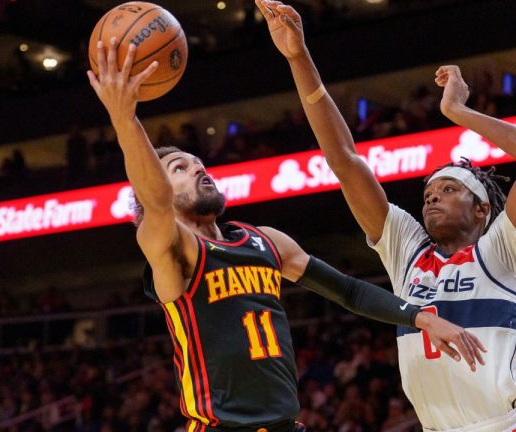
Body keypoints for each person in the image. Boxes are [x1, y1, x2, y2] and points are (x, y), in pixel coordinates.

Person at [86, 37, 486, 432]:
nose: (197, 168)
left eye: (197, 162)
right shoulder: (175, 250)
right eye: (179, 169)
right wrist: (125, 119)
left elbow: (347, 290)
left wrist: (421, 318)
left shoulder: (264, 240)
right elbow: (155, 201)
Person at [257, 1, 516, 429]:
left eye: (449, 189)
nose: (432, 198)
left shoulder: (503, 249)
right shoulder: (408, 250)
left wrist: (458, 113)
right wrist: (298, 57)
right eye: (429, 192)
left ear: (482, 208)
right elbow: (345, 160)